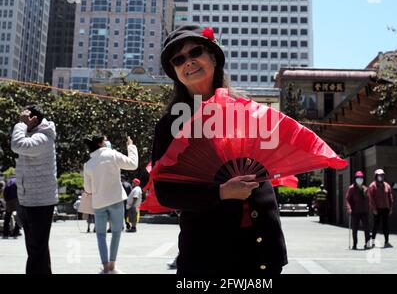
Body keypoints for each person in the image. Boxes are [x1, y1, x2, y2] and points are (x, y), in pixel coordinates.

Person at [153, 25, 287, 275]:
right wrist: (222, 192)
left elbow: (270, 165)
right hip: (208, 257)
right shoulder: (171, 125)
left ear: (213, 57)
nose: (188, 62)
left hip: (263, 252)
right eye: (178, 59)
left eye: (195, 52)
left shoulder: (248, 111)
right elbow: (166, 193)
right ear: (175, 71)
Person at [11, 105, 58, 274]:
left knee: (36, 249)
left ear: (35, 119)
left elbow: (17, 145)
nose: (22, 119)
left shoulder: (44, 138)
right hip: (29, 200)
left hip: (40, 202)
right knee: (37, 249)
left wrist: (20, 125)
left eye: (26, 117)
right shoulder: (34, 136)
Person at [83, 134, 138, 274]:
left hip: (99, 203)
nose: (108, 141)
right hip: (116, 200)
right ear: (101, 143)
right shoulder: (112, 154)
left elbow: (88, 189)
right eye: (106, 139)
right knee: (116, 233)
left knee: (100, 235)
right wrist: (130, 146)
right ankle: (113, 265)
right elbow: (133, 164)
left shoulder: (88, 164)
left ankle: (105, 266)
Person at [369, 169, 394, 248]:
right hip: (377, 209)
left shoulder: (387, 185)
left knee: (385, 225)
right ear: (376, 176)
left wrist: (390, 208)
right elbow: (371, 198)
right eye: (379, 175)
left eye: (382, 175)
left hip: (385, 208)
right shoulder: (372, 185)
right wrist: (374, 209)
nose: (381, 177)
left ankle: (387, 242)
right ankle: (372, 242)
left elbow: (390, 197)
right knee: (375, 225)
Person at [345, 171, 370, 250]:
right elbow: (347, 199)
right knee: (355, 228)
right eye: (358, 178)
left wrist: (370, 207)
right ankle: (355, 244)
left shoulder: (365, 189)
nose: (360, 179)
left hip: (364, 211)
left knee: (367, 228)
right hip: (355, 211)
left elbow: (369, 199)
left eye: (361, 178)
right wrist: (349, 208)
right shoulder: (351, 188)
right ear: (355, 179)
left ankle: (367, 244)